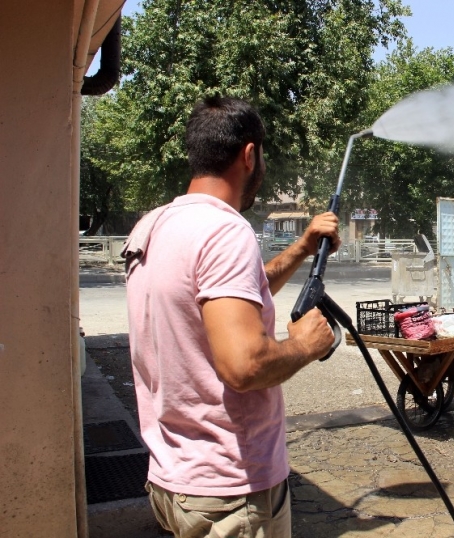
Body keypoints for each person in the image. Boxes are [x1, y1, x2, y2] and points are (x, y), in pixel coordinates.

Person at [125, 96, 340, 537]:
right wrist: (307, 343)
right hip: (230, 493)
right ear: (248, 155)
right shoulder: (225, 230)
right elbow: (243, 366)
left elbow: (229, 296)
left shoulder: (154, 226)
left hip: (174, 479)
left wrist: (302, 247)